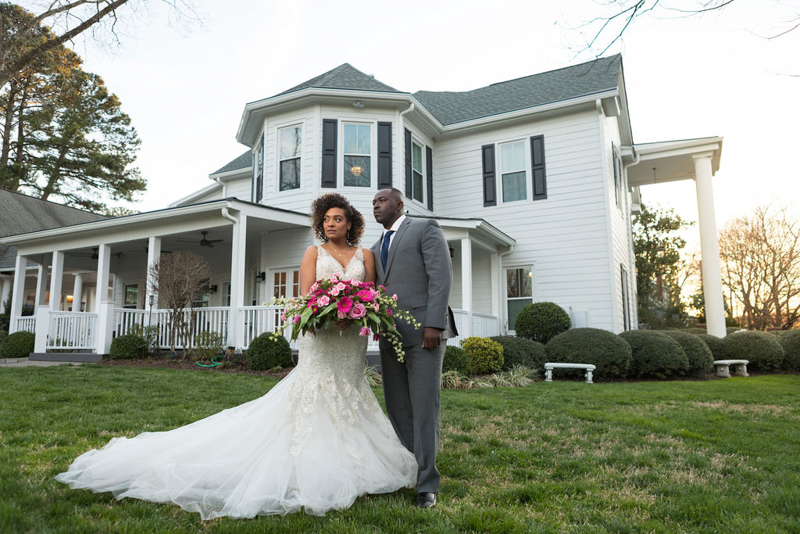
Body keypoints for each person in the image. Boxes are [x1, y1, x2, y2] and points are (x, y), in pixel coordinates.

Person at [55, 193, 417, 520]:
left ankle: (355, 463)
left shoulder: (365, 254)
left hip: (350, 338)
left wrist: (353, 314)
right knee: (315, 394)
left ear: (350, 222)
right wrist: (330, 315)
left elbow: (371, 293)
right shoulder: (313, 253)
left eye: (337, 218)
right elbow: (308, 295)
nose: (330, 224)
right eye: (325, 219)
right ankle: (310, 462)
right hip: (322, 338)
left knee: (349, 390)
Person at [371, 187, 455, 509]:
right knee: (398, 407)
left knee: (424, 410)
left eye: (382, 201)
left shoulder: (424, 228)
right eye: (374, 203)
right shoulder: (377, 246)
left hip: (424, 334)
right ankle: (410, 468)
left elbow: (441, 277)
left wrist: (434, 324)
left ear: (399, 204)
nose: (376, 206)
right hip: (391, 336)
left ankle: (427, 485)